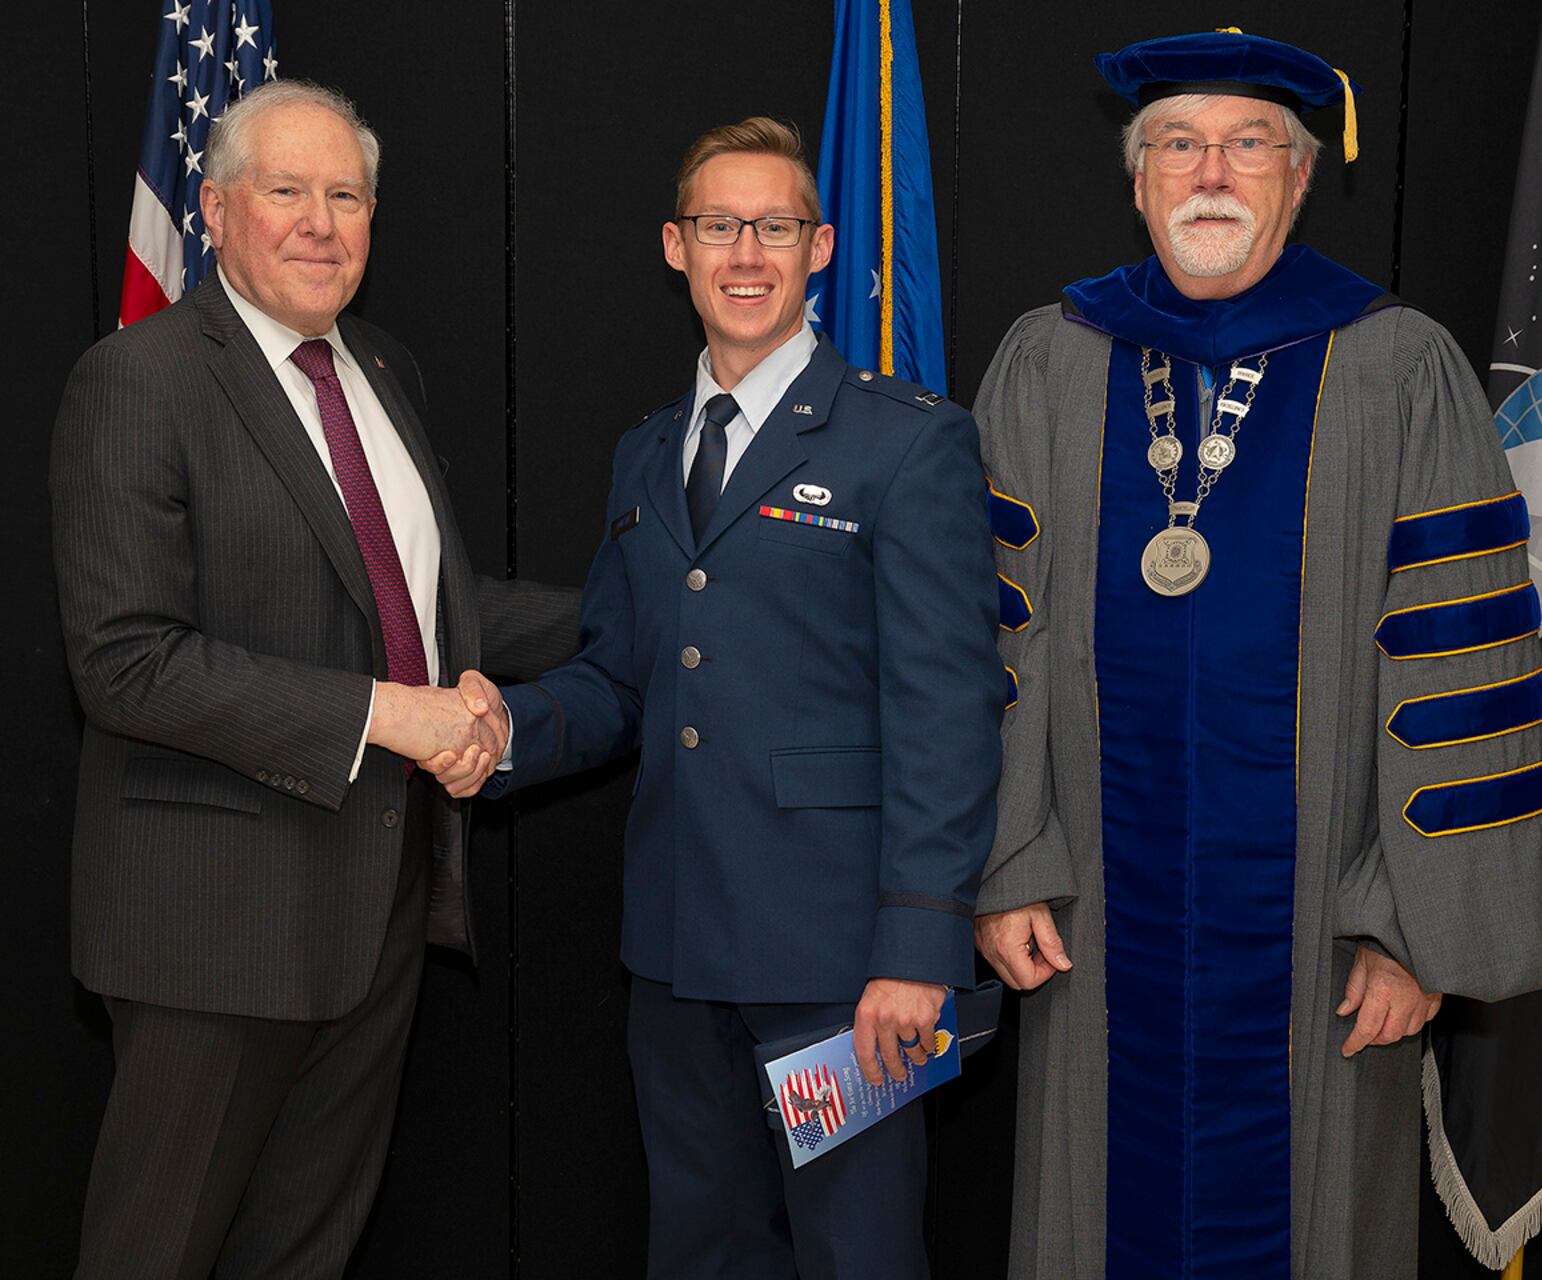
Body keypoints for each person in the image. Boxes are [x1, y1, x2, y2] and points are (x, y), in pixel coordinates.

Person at [971, 29, 1542, 1280]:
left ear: (1300, 177)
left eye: (1249, 143)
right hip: (1092, 916)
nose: (1212, 169)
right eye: (1179, 144)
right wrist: (1006, 863)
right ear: (1138, 178)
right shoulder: (1048, 360)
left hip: (1328, 930)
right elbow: (982, 638)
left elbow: (1464, 667)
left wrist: (1413, 926)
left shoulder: (1398, 366)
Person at [452, 117, 1004, 1277]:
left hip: (841, 963)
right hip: (676, 945)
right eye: (718, 226)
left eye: (774, 226)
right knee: (701, 1250)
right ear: (674, 244)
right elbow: (620, 675)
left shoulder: (908, 446)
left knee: (854, 1252)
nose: (745, 253)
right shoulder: (646, 452)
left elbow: (946, 710)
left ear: (819, 244)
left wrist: (917, 947)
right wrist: (502, 731)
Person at [50, 80, 577, 1278]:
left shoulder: (382, 371)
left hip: (373, 917)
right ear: (219, 208)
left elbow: (431, 609)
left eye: (347, 195)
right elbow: (126, 662)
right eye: (287, 192)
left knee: (303, 1256)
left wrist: (654, 616)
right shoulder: (139, 380)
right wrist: (398, 713)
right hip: (210, 935)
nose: (320, 222)